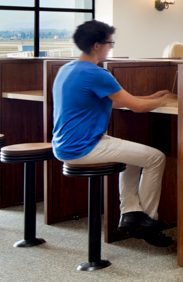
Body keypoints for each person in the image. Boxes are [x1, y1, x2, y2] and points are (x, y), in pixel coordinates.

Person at [52, 21, 174, 246]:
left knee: (134, 157)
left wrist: (152, 97)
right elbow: (136, 108)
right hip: (85, 146)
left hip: (65, 144)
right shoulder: (96, 73)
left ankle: (131, 213)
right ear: (97, 45)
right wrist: (165, 99)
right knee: (156, 157)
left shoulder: (67, 69)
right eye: (110, 43)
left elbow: (118, 103)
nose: (111, 47)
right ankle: (149, 222)